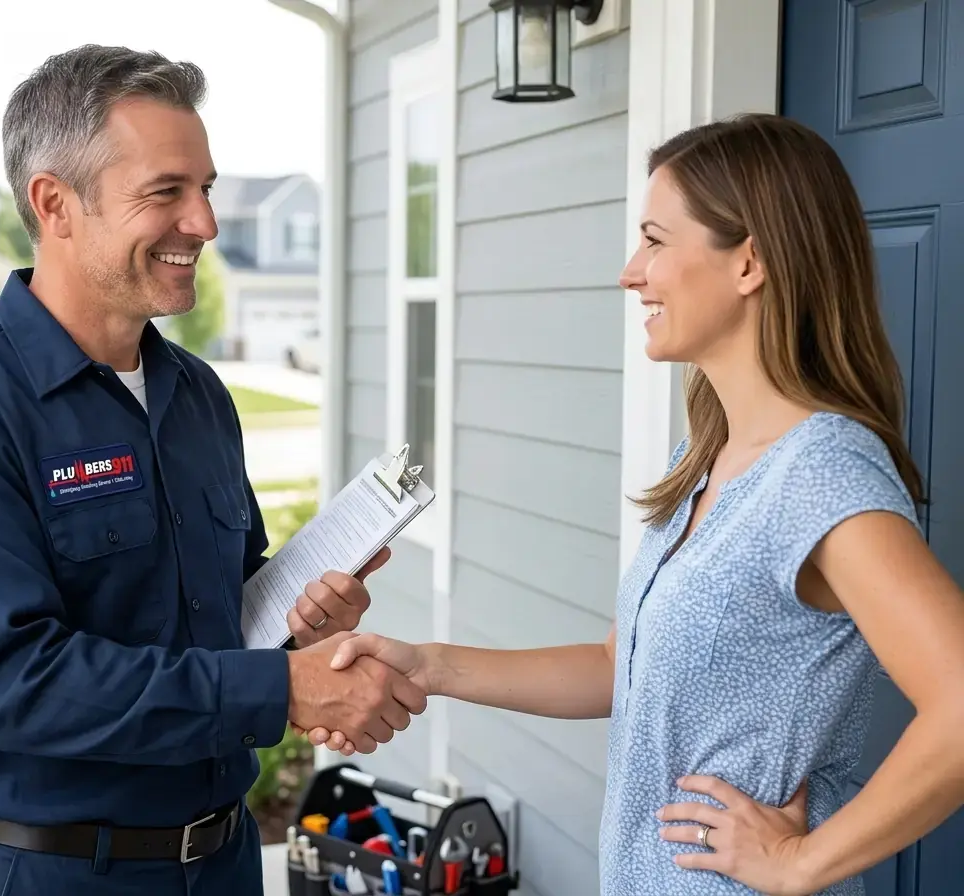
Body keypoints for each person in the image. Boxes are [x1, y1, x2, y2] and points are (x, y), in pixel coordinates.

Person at [299, 113, 964, 895]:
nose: (630, 272)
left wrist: (800, 861)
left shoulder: (822, 471)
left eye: (655, 240)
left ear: (748, 260)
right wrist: (430, 664)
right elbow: (622, 667)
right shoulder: (706, 459)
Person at [0, 44, 426, 896]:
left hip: (224, 863)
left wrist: (298, 622)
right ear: (55, 203)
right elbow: (19, 684)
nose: (202, 223)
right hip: (49, 873)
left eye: (204, 189)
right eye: (166, 192)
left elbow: (216, 617)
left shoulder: (196, 396)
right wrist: (280, 690)